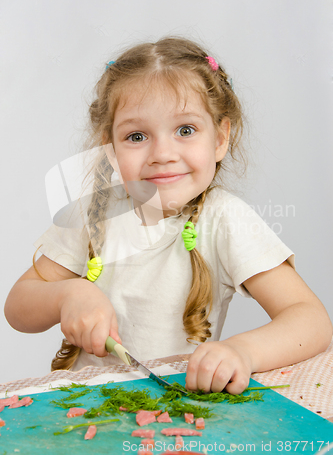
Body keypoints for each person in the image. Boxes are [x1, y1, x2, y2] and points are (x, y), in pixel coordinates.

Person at [5, 37, 332, 395]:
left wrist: (243, 351)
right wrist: (68, 294)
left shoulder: (225, 219)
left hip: (172, 413)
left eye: (185, 130)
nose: (162, 153)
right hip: (87, 411)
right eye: (137, 135)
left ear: (220, 138)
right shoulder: (90, 212)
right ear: (110, 150)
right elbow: (18, 307)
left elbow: (311, 321)